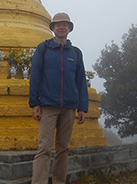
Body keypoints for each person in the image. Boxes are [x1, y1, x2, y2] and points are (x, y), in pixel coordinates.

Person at [29, 12, 89, 184]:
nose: (61, 27)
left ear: (69, 29)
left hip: (69, 107)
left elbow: (80, 81)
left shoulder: (76, 53)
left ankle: (59, 181)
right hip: (48, 105)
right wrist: (35, 103)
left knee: (63, 149)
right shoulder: (44, 49)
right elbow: (35, 76)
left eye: (65, 24)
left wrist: (82, 107)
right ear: (53, 28)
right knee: (44, 148)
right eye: (58, 24)